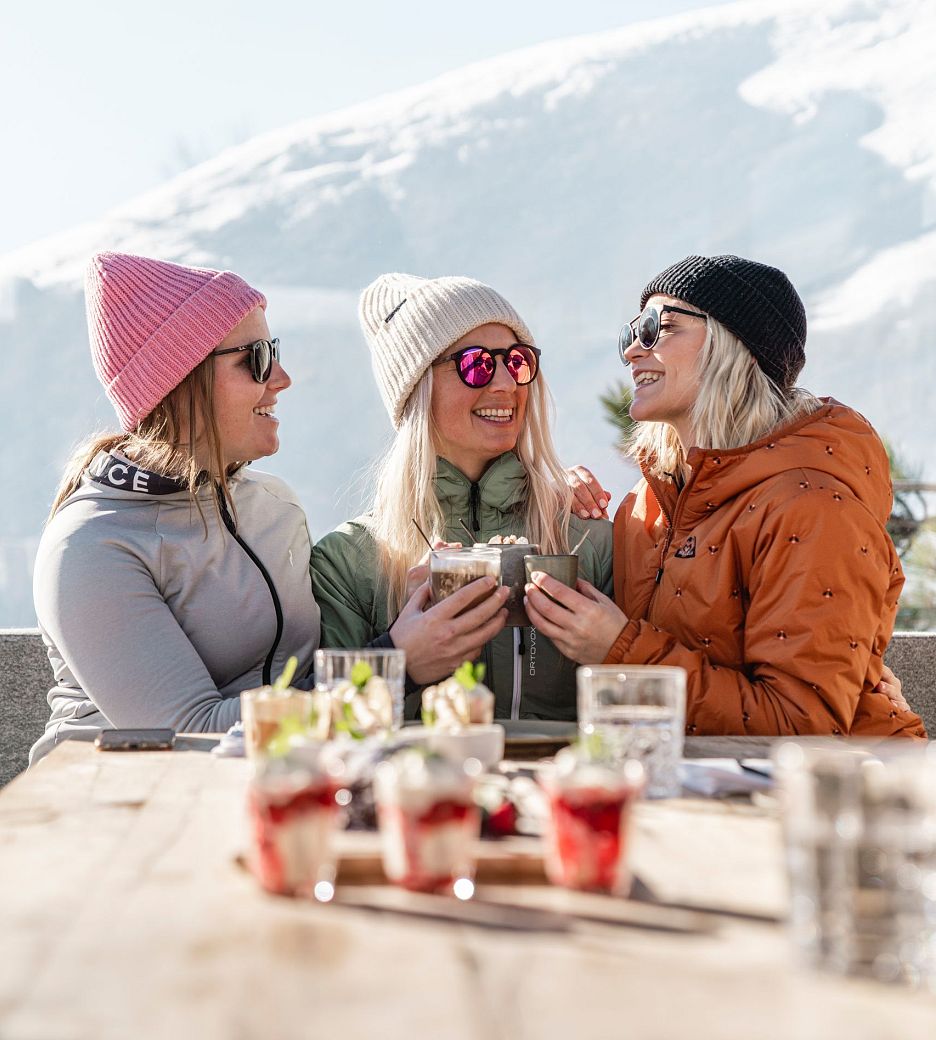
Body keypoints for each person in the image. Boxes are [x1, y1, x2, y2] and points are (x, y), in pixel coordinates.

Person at [525, 254, 926, 738]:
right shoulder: (644, 504)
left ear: (734, 345)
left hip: (840, 798)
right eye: (630, 332)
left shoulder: (813, 507)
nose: (632, 349)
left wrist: (623, 652)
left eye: (658, 326)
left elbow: (804, 724)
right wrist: (557, 498)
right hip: (701, 788)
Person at [30, 252, 320, 763]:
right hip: (109, 814)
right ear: (181, 380)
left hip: (264, 791)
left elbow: (305, 678)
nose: (281, 378)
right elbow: (192, 735)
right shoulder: (91, 546)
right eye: (255, 358)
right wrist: (392, 667)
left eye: (274, 350)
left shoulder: (275, 507)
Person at [312, 273, 612, 720]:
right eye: (477, 364)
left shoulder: (588, 537)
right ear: (417, 388)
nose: (507, 385)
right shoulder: (347, 561)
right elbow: (319, 723)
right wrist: (401, 662)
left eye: (516, 361)